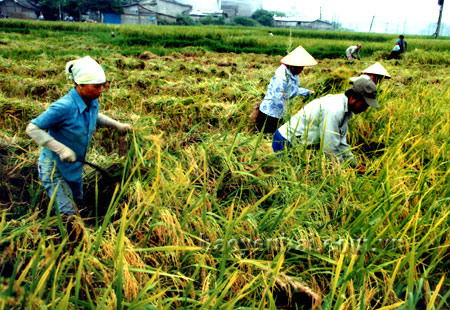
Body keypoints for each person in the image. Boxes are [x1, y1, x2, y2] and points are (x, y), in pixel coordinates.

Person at [26, 56, 131, 219]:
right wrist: (60, 149)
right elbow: (33, 128)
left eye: (102, 86)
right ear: (80, 85)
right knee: (69, 216)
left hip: (75, 167)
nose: (100, 91)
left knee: (78, 204)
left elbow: (94, 116)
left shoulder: (92, 100)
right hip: (54, 168)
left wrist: (116, 125)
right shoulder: (64, 106)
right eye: (96, 87)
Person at [272, 78, 379, 174]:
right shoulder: (335, 109)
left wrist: (356, 164)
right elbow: (329, 147)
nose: (365, 110)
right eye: (364, 105)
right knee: (286, 178)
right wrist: (343, 170)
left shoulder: (345, 111)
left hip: (298, 144)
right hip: (286, 141)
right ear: (352, 97)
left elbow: (341, 144)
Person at [253, 45, 317, 133]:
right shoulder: (281, 78)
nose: (302, 70)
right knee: (266, 137)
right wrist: (287, 116)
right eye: (301, 67)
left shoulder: (293, 74)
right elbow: (277, 98)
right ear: (293, 66)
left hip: (280, 112)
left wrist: (308, 92)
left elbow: (293, 90)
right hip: (270, 113)